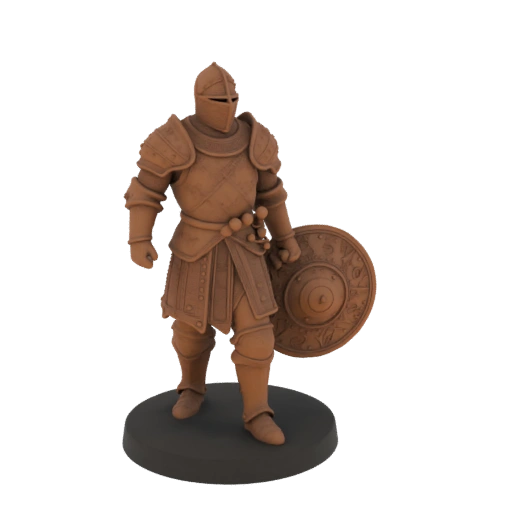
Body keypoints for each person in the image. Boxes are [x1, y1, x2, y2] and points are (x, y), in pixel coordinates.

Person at [124, 61, 300, 445]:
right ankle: (191, 388)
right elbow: (146, 190)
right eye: (220, 99)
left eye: (233, 98)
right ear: (199, 99)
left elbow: (271, 192)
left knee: (257, 335)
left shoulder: (255, 137)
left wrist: (285, 237)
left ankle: (257, 412)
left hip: (246, 250)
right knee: (190, 330)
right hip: (196, 247)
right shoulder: (173, 139)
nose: (229, 105)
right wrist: (138, 239)